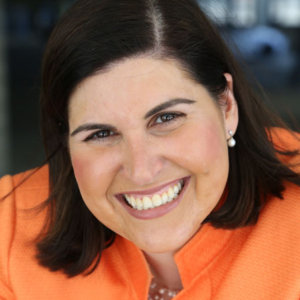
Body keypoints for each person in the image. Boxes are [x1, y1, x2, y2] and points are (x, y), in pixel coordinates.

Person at [1, 0, 300, 299]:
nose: (141, 171)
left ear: (226, 107)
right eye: (101, 133)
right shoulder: (8, 229)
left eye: (166, 118)